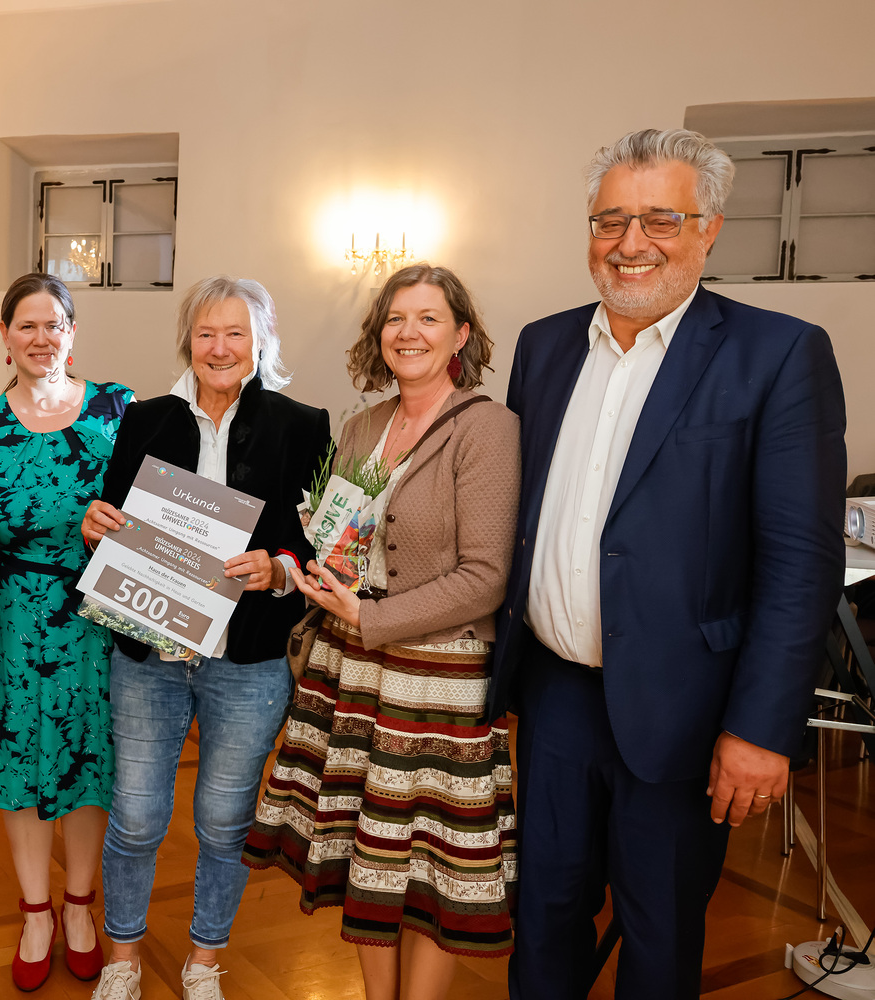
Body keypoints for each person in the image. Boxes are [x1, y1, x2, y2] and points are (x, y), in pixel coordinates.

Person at [491, 129, 846, 998]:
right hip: (555, 695)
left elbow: (800, 565)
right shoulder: (543, 346)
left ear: (709, 229)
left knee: (658, 932)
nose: (631, 242)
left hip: (687, 708)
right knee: (542, 915)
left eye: (660, 219)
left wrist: (761, 729)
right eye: (610, 220)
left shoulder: (778, 354)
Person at [242, 264, 521, 999]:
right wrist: (313, 568)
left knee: (432, 865)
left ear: (461, 335)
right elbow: (342, 544)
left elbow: (486, 577)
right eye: (396, 318)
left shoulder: (487, 427)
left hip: (439, 683)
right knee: (368, 852)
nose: (409, 332)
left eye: (429, 318)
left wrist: (371, 616)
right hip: (353, 671)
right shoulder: (362, 425)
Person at [81, 276, 330, 1000]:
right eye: (206, 333)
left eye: (235, 334)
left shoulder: (302, 424)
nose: (219, 348)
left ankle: (203, 960)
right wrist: (95, 525)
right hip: (149, 655)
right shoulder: (144, 419)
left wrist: (279, 568)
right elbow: (114, 520)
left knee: (224, 822)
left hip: (247, 658)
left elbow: (319, 544)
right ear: (187, 341)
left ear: (262, 342)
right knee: (135, 817)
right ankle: (123, 959)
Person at [0, 274, 134, 991]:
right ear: (5, 336)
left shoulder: (118, 410)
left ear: (72, 332)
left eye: (53, 323)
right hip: (8, 618)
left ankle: (80, 905)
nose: (40, 337)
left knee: (89, 761)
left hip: (97, 614)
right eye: (25, 325)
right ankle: (36, 912)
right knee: (20, 763)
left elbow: (154, 512)